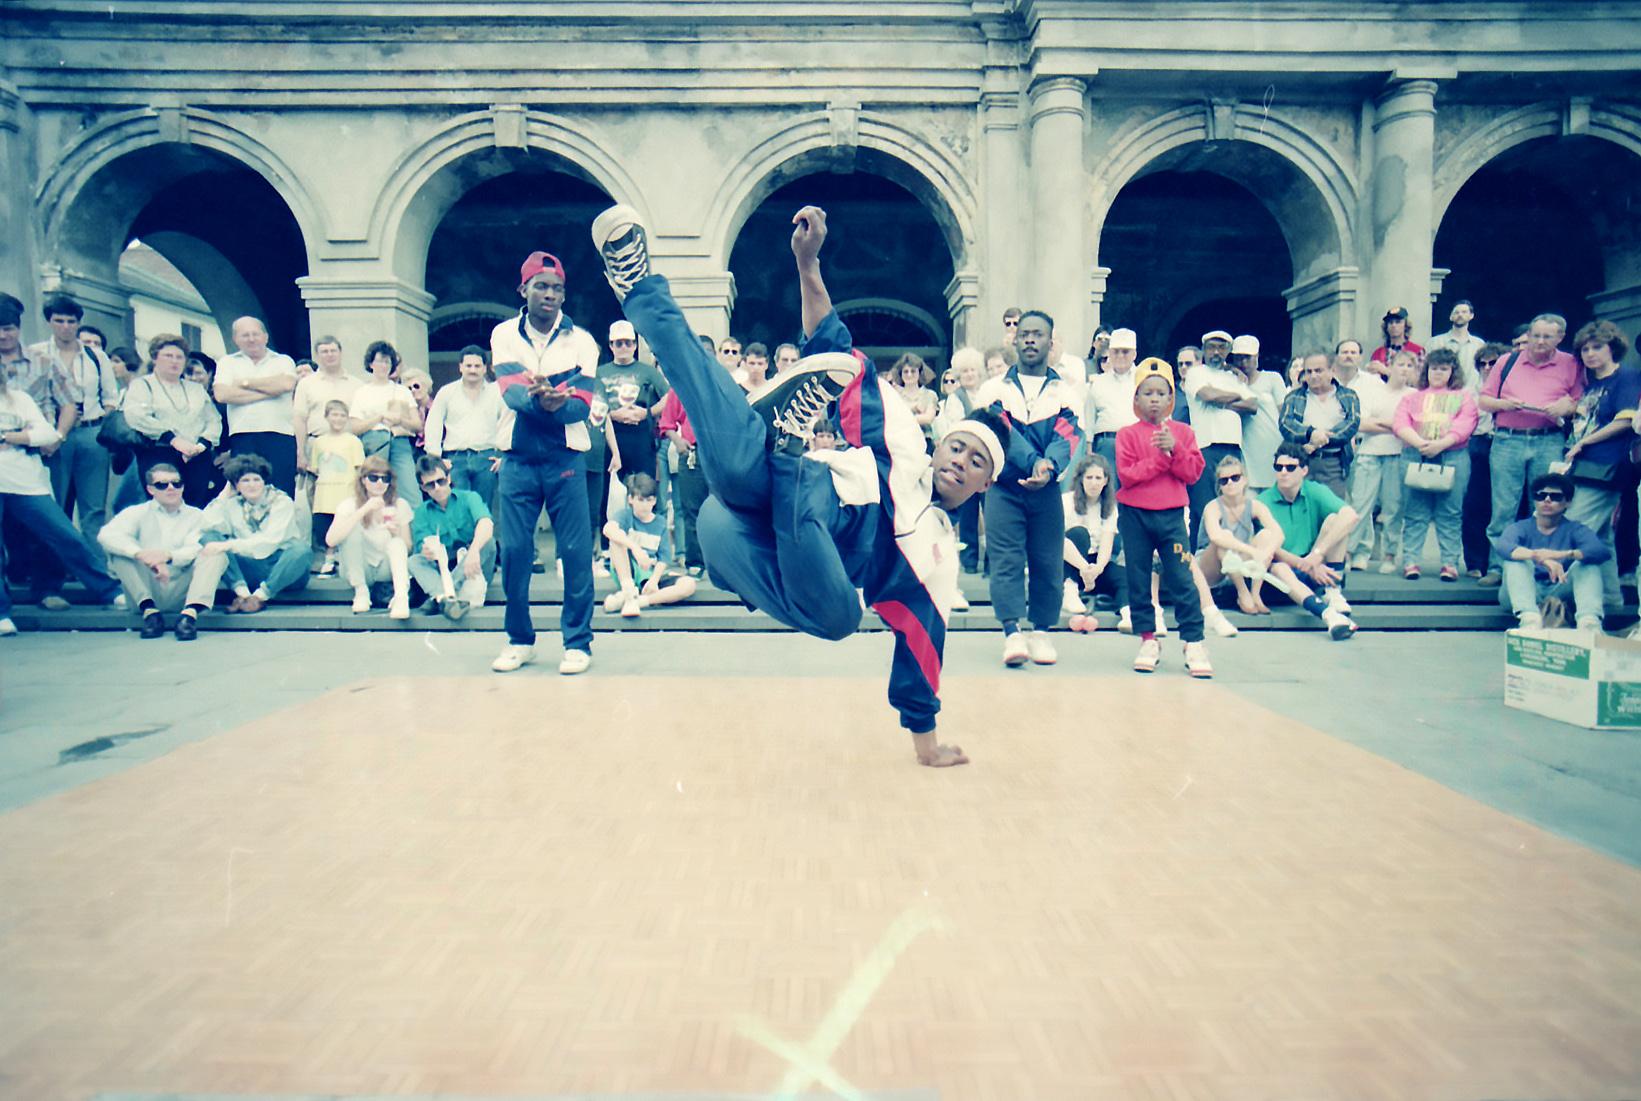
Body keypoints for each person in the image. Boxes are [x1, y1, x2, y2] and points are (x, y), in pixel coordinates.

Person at [594, 200, 1004, 767]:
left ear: (985, 485)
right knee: (714, 409)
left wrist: (927, 745)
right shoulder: (903, 440)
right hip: (785, 492)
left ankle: (783, 441)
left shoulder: (938, 559)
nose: (961, 461)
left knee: (841, 619)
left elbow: (922, 648)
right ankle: (639, 287)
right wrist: (808, 265)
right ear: (940, 444)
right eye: (958, 446)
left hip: (782, 551)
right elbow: (834, 347)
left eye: (977, 462)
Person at [487, 248, 601, 675]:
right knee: (515, 550)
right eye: (540, 286)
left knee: (574, 551)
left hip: (565, 458)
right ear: (524, 289)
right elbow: (514, 395)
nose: (549, 294)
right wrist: (553, 398)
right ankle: (520, 640)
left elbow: (581, 407)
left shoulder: (582, 340)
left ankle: (577, 642)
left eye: (556, 288)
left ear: (563, 295)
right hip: (516, 459)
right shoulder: (504, 334)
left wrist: (554, 399)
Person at [974, 309, 1081, 668]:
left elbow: (1068, 434)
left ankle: (1040, 632)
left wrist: (1048, 467)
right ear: (1015, 340)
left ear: (1051, 342)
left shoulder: (1065, 390)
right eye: (1025, 334)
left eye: (1039, 334)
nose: (1031, 339)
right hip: (1004, 489)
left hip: (1046, 490)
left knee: (1048, 562)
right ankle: (1011, 632)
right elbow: (1001, 430)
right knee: (1005, 559)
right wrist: (1035, 460)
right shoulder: (993, 389)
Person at [0, 365, 125, 635]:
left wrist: (7, 436)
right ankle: (2, 614)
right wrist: (24, 436)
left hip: (26, 481)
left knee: (65, 534)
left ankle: (109, 590)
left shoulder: (19, 399)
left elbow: (48, 434)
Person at [1114, 358, 1211, 676]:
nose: (1154, 398)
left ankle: (1193, 641)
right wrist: (1162, 458)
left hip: (1171, 516)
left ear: (1172, 399)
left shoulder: (1183, 432)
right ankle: (1147, 638)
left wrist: (1177, 451)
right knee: (1138, 579)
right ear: (1136, 399)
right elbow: (1128, 476)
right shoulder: (1126, 435)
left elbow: (1193, 473)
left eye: (1161, 393)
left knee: (1183, 578)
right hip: (1135, 516)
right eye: (1147, 392)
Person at [1478, 313, 1583, 585]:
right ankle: (1498, 566)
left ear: (1560, 338)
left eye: (1547, 336)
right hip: (1508, 438)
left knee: (1546, 503)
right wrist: (1505, 404)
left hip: (1548, 439)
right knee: (1503, 506)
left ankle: (1541, 567)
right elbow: (1485, 400)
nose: (1538, 341)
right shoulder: (1508, 360)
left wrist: (1567, 407)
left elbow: (1581, 401)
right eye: (1535, 335)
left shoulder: (1571, 363)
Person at [28, 294, 118, 553]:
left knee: (94, 507)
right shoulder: (36, 353)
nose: (66, 326)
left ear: (78, 323)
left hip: (91, 431)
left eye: (71, 321)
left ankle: (96, 568)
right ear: (49, 322)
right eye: (59, 321)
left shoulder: (95, 355)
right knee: (54, 504)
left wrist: (104, 425)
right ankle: (57, 566)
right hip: (51, 433)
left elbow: (110, 396)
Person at [1563, 319, 1638, 610]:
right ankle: (1611, 600)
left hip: (1608, 465)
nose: (1590, 354)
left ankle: (1557, 598)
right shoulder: (1592, 384)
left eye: (1597, 348)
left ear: (1613, 348)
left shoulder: (1626, 376)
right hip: (1584, 464)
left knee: (1577, 531)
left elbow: (1625, 419)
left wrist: (1586, 442)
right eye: (1584, 349)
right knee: (1602, 537)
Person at [98, 463, 213, 639]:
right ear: (151, 489)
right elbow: (106, 535)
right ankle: (150, 614)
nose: (171, 488)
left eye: (177, 483)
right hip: (146, 587)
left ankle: (189, 616)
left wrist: (168, 557)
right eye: (162, 484)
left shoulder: (197, 515)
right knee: (120, 553)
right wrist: (141, 554)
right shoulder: (136, 512)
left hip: (183, 589)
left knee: (214, 553)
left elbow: (195, 547)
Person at [1393, 346, 1478, 581]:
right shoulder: (1411, 397)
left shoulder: (1464, 397)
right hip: (1414, 455)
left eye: (1444, 368)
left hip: (1453, 457)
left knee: (1450, 512)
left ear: (1453, 371)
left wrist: (1441, 444)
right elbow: (1400, 424)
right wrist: (1422, 444)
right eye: (1434, 368)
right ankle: (1411, 561)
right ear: (1426, 370)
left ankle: (1450, 563)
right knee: (1414, 511)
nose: (1438, 373)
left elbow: (1466, 423)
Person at [1259, 442, 1359, 638]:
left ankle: (1333, 590)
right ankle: (1329, 614)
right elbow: (1271, 550)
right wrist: (1306, 564)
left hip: (1312, 564)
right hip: (1280, 573)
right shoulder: (1263, 501)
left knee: (1334, 520)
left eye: (1290, 467)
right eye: (1278, 467)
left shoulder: (1313, 490)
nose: (1283, 472)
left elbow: (1351, 516)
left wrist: (1316, 555)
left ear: (1304, 470)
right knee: (1279, 567)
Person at [191, 453, 312, 614]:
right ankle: (243, 595)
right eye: (245, 481)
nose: (252, 485)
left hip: (283, 569)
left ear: (264, 482)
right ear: (236, 485)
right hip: (251, 570)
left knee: (301, 549)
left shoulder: (281, 502)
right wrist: (223, 497)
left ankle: (260, 597)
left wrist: (229, 544)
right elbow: (204, 526)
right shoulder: (231, 505)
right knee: (209, 538)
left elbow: (270, 541)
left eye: (256, 480)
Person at [120, 333, 223, 507]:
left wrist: (200, 445)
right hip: (159, 454)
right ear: (154, 358)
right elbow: (137, 416)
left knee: (195, 506)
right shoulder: (142, 385)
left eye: (179, 357)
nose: (174, 361)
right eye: (168, 356)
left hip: (196, 457)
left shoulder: (196, 389)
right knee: (163, 507)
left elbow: (213, 420)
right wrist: (174, 440)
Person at [1496, 472, 1608, 632]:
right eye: (1540, 496)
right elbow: (1503, 546)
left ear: (1568, 502)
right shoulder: (1521, 527)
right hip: (1523, 591)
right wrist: (1539, 556)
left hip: (1559, 589)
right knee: (1516, 560)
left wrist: (1560, 555)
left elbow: (1600, 551)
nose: (1546, 500)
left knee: (1588, 564)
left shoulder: (1575, 528)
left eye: (1555, 497)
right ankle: (1529, 620)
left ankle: (1589, 623)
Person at [1182, 329, 1254, 550]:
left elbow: (1252, 406)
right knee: (1203, 508)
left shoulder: (1234, 376)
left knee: (1233, 506)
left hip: (1232, 450)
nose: (1216, 352)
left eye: (1221, 348)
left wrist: (1221, 397)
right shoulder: (1196, 373)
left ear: (1228, 352)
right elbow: (1207, 396)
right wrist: (1236, 396)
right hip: (1205, 447)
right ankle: (1199, 560)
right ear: (1203, 350)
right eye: (1211, 347)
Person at [212, 315, 299, 494]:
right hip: (243, 435)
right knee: (246, 491)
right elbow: (221, 394)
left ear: (265, 336)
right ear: (235, 339)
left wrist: (244, 382)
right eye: (245, 335)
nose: (251, 339)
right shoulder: (227, 362)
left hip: (280, 435)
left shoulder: (283, 360)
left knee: (281, 490)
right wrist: (269, 392)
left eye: (255, 334)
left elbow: (286, 385)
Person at [1348, 347, 1413, 573]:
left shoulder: (1412, 395)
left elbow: (1411, 426)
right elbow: (1361, 423)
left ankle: (1390, 554)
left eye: (1409, 366)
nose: (1404, 369)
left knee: (1393, 506)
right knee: (1360, 504)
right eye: (1401, 364)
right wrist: (1395, 424)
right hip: (1368, 453)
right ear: (1391, 366)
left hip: (1398, 454)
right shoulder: (1374, 390)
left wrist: (1386, 424)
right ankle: (1355, 552)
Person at [1197, 453, 1285, 620]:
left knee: (1266, 535)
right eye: (1224, 480)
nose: (1230, 483)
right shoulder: (1213, 507)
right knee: (1225, 537)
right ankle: (1242, 593)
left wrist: (1265, 552)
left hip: (1238, 564)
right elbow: (1216, 537)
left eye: (1235, 478)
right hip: (1211, 568)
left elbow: (1278, 533)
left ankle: (1255, 594)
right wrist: (1252, 552)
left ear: (1244, 480)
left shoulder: (1255, 505)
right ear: (1220, 485)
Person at [323, 455, 412, 617]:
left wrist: (396, 532)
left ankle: (401, 597)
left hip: (385, 567)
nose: (380, 483)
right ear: (363, 480)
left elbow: (407, 546)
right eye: (373, 478)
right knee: (351, 531)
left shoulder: (399, 505)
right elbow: (331, 540)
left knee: (397, 543)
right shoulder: (350, 504)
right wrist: (363, 511)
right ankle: (361, 591)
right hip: (357, 567)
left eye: (385, 478)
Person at [408, 454, 494, 619]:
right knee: (413, 561)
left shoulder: (469, 497)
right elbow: (422, 547)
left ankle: (440, 597)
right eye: (430, 485)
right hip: (444, 566)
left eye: (440, 481)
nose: (437, 488)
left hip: (472, 562)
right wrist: (427, 551)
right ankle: (447, 598)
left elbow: (486, 524)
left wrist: (474, 550)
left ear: (449, 478)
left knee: (488, 543)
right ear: (422, 488)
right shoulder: (421, 512)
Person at [601, 471, 697, 617]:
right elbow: (608, 529)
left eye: (649, 500)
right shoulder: (625, 516)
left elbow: (664, 558)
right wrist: (635, 548)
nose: (645, 505)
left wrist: (654, 580)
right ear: (631, 499)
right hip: (629, 569)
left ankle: (639, 601)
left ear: (654, 501)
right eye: (640, 500)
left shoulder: (659, 523)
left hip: (651, 573)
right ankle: (628, 592)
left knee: (688, 584)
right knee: (616, 538)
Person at [424, 344, 503, 505]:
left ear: (485, 368)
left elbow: (508, 424)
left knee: (484, 510)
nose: (472, 370)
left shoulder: (497, 394)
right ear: (460, 367)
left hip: (486, 459)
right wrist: (437, 459)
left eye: (477, 366)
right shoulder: (447, 392)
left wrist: (504, 457)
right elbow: (434, 423)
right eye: (468, 366)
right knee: (458, 508)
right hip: (455, 460)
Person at [347, 340, 422, 507]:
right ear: (371, 363)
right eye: (379, 360)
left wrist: (401, 420)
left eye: (387, 361)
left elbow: (417, 425)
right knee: (374, 491)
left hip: (400, 443)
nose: (383, 365)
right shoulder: (362, 392)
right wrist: (379, 417)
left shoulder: (402, 391)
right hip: (375, 443)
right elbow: (355, 427)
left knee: (411, 493)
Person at [1279, 350, 1360, 499]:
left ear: (1332, 370)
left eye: (1319, 370)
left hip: (1334, 463)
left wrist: (1320, 439)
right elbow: (1285, 425)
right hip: (1301, 461)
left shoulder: (1349, 396)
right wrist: (1311, 433)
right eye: (1309, 371)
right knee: (1300, 509)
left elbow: (1351, 425)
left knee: (1332, 512)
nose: (1313, 375)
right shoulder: (1294, 397)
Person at [937, 347, 987, 574]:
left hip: (986, 460)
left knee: (991, 510)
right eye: (964, 371)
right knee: (968, 510)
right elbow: (957, 426)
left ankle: (991, 562)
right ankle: (969, 560)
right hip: (966, 458)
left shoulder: (987, 393)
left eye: (972, 370)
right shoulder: (955, 398)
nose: (969, 375)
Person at [1060, 452, 1123, 633]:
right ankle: (1069, 589)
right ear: (1080, 479)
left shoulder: (1110, 506)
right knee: (1080, 533)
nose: (1094, 482)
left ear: (1106, 481)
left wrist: (1098, 568)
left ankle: (1126, 611)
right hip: (1067, 562)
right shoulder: (1067, 501)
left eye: (1098, 478)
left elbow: (1106, 542)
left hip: (1092, 565)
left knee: (1121, 575)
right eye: (1089, 477)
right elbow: (1057, 542)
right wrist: (1085, 568)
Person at [308, 399, 365, 575]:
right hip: (325, 492)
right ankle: (329, 560)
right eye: (334, 415)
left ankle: (346, 560)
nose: (338, 419)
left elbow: (360, 469)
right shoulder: (319, 442)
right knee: (325, 528)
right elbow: (316, 469)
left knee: (344, 526)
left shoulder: (353, 441)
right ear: (326, 417)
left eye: (342, 415)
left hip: (345, 492)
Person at [1084, 326, 1138, 471]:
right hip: (1106, 446)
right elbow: (1089, 419)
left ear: (1134, 354)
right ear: (1109, 353)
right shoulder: (1098, 383)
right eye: (1116, 351)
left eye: (1125, 351)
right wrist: (1089, 449)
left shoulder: (1144, 379)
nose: (1120, 356)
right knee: (1109, 491)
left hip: (1138, 445)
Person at [1427, 300, 1486, 379]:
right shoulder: (1435, 342)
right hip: (1444, 390)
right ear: (1451, 317)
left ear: (1471, 316)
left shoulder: (1479, 344)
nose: (1460, 315)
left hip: (1471, 390)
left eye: (1464, 312)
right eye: (1456, 312)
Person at [1371, 306, 1424, 370]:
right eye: (1390, 322)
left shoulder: (1417, 351)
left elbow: (1421, 376)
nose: (1394, 325)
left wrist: (1386, 371)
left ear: (1406, 326)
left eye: (1398, 322)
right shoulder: (1377, 353)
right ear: (1386, 327)